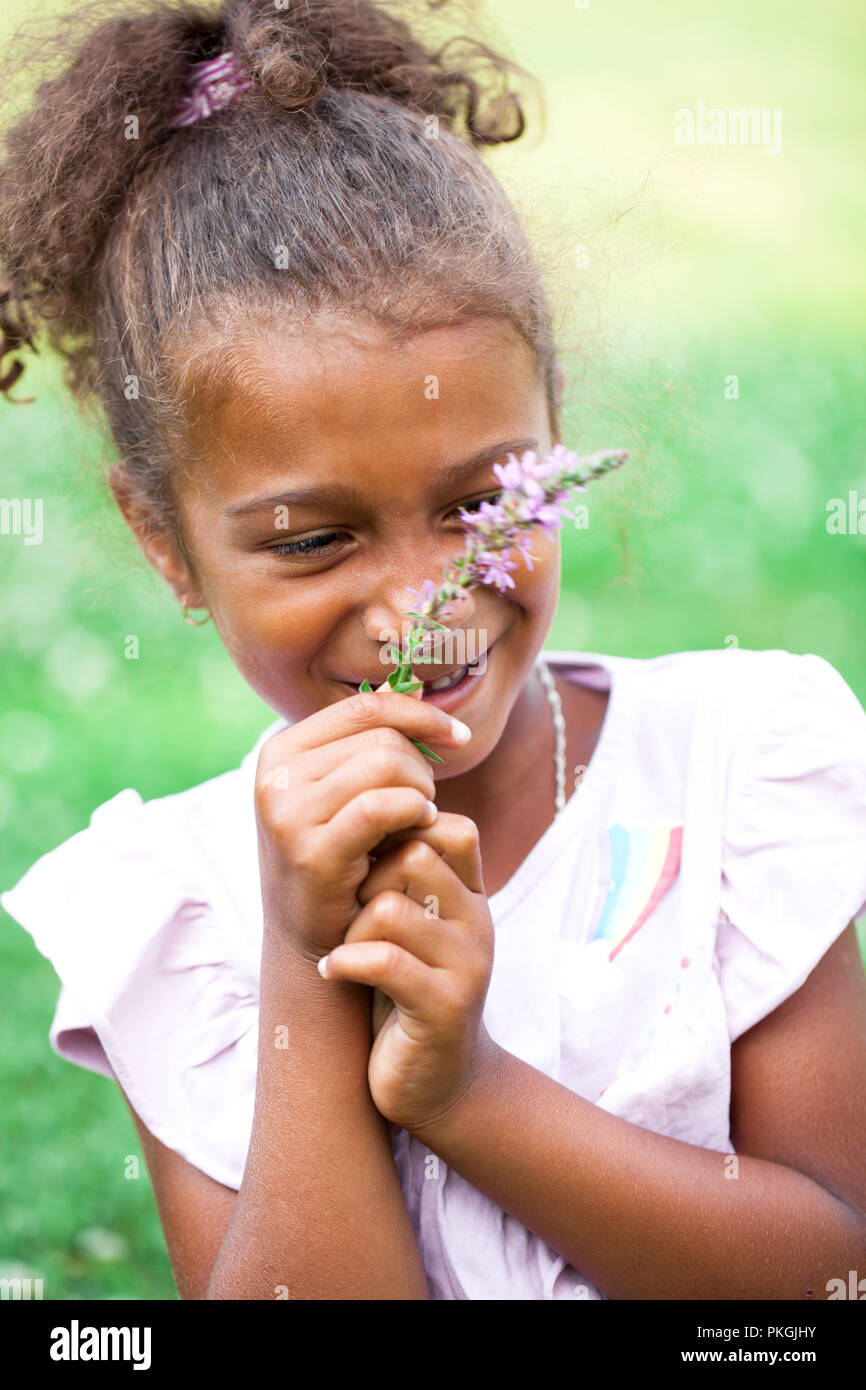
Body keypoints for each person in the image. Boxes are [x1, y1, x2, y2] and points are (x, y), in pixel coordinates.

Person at [2, 0, 866, 1301]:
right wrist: (305, 963)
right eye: (309, 539)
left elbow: (829, 1278)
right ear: (164, 544)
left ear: (552, 430)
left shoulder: (730, 779)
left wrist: (469, 1095)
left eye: (477, 505)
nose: (421, 607)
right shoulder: (181, 912)